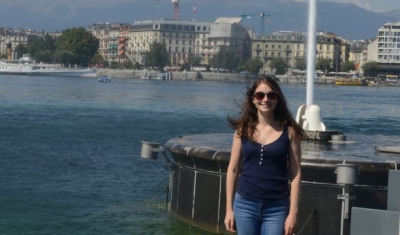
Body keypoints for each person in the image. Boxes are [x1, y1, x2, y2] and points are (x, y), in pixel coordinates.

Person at [224, 76, 304, 235]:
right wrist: (229, 209)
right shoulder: (242, 130)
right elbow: (232, 170)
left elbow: (295, 174)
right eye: (260, 95)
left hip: (277, 207)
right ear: (253, 99)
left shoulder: (289, 131)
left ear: (277, 99)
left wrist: (293, 213)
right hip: (245, 205)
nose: (265, 99)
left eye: (271, 95)